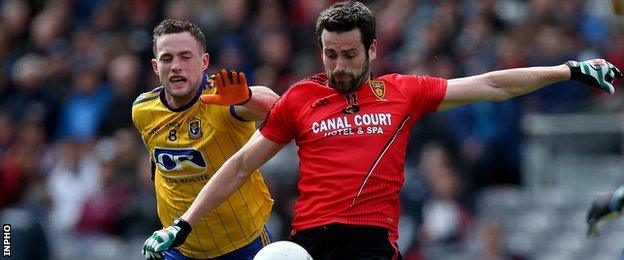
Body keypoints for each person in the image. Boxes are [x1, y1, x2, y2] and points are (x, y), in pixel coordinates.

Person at [142, 2, 621, 259]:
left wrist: (568, 70)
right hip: (306, 240)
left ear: (372, 50)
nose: (339, 65)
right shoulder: (303, 98)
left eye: (349, 54)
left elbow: (492, 84)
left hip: (369, 239)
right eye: (330, 54)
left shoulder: (402, 91)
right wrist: (182, 225)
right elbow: (241, 164)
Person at [133, 19, 278, 259]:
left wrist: (247, 97)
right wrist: (166, 226)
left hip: (242, 244)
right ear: (155, 66)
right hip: (181, 247)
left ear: (204, 62)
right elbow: (158, 167)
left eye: (185, 57)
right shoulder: (142, 109)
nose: (176, 66)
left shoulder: (223, 99)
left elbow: (280, 108)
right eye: (167, 59)